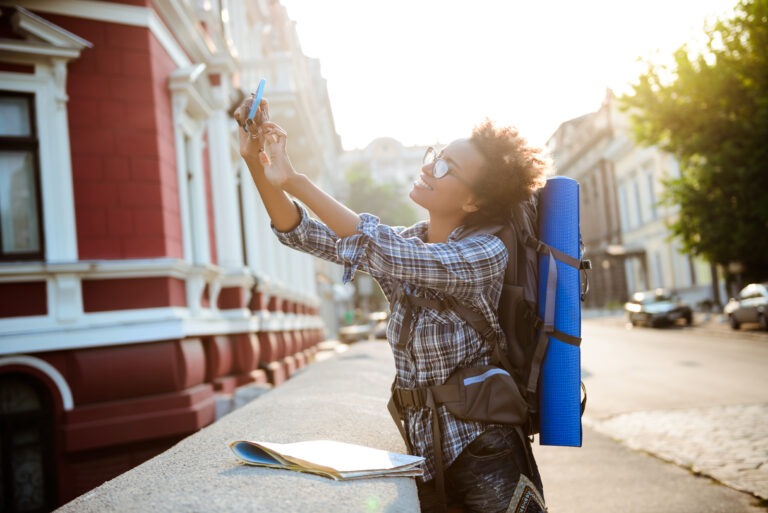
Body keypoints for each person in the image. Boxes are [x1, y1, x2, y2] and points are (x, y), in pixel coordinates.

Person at [234, 94, 549, 513]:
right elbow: (303, 233)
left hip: (487, 457)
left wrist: (296, 180)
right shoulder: (410, 241)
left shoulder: (485, 253)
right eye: (435, 155)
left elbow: (378, 248)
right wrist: (257, 160)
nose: (427, 167)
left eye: (445, 168)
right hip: (426, 455)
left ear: (473, 201)